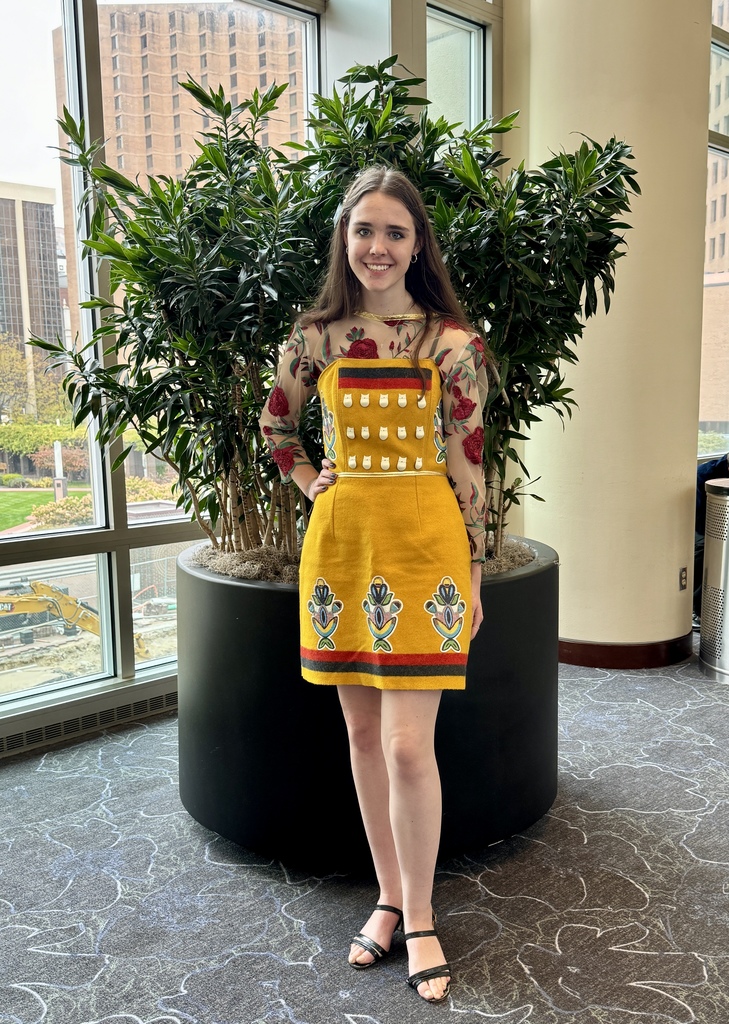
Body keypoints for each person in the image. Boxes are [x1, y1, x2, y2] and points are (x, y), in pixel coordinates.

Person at [259, 165, 491, 1005]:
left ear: (417, 243)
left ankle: (421, 914)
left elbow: (471, 467)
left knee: (404, 745)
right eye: (364, 231)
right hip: (343, 544)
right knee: (361, 739)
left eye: (396, 232)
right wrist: (310, 479)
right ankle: (389, 897)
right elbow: (276, 423)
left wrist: (471, 569)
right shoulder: (314, 336)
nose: (378, 247)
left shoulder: (451, 344)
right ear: (344, 240)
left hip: (424, 539)